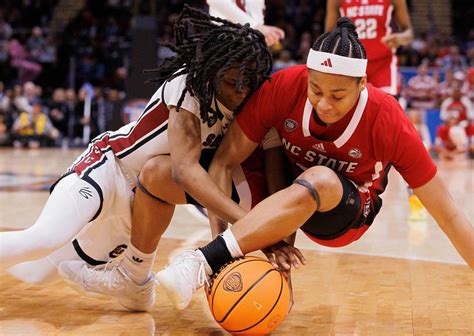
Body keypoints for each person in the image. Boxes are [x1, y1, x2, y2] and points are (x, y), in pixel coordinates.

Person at [151, 18, 473, 311]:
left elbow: (449, 214)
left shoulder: (387, 119)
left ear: (362, 85)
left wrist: (214, 256)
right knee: (159, 176)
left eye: (337, 95)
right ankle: (150, 272)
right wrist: (224, 260)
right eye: (316, 89)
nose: (323, 103)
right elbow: (222, 164)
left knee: (319, 178)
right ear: (307, 74)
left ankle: (199, 263)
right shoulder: (285, 87)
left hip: (346, 210)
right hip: (288, 194)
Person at [0, 5, 273, 311]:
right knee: (42, 240)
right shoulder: (189, 86)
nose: (240, 92)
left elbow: (217, 179)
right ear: (213, 69)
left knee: (38, 273)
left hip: (141, 196)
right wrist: (251, 223)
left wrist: (220, 253)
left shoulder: (245, 103)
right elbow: (186, 171)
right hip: (109, 168)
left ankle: (136, 282)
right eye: (231, 82)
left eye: (247, 83)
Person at [325, 0, 414, 96]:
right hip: (352, 64)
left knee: (385, 106)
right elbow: (329, 36)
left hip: (383, 64)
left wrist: (399, 38)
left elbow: (409, 33)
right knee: (353, 108)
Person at [207, 0, 285, 47]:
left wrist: (263, 34)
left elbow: (257, 16)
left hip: (250, 42)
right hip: (220, 37)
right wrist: (255, 27)